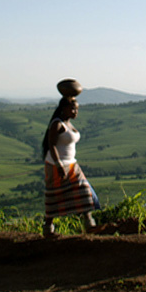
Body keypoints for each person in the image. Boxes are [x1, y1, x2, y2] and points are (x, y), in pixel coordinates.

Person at [41, 94, 101, 238]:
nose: (76, 112)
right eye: (73, 109)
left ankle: (89, 223)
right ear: (64, 109)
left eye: (77, 109)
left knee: (84, 190)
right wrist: (58, 164)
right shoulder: (57, 124)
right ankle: (48, 227)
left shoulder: (68, 123)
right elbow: (52, 145)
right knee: (55, 195)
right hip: (57, 165)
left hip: (72, 164)